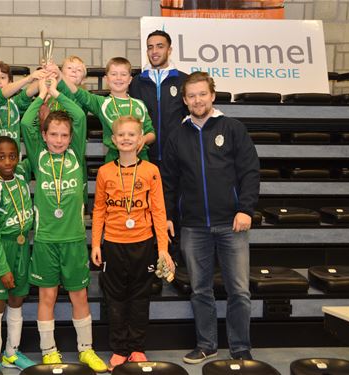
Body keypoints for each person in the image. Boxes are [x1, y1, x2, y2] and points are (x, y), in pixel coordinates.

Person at [161, 71, 260, 364]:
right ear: (185, 100)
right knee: (200, 290)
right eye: (191, 95)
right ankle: (207, 344)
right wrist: (168, 215)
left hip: (232, 224)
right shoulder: (178, 135)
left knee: (239, 291)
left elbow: (250, 172)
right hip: (193, 226)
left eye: (202, 94)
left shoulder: (232, 128)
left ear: (212, 95)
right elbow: (169, 180)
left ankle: (240, 348)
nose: (197, 100)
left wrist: (245, 209)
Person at [20, 76, 108, 372]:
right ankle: (49, 351)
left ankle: (86, 350)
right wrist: (41, 93)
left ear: (71, 138)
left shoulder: (76, 155)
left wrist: (57, 91)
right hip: (45, 239)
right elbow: (27, 122)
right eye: (53, 134)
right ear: (44, 135)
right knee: (47, 295)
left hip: (72, 239)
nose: (59, 140)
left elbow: (80, 115)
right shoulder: (38, 156)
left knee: (79, 295)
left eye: (64, 135)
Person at [91, 116, 175, 370]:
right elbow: (98, 210)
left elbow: (159, 211)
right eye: (121, 135)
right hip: (114, 244)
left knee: (140, 297)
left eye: (132, 134)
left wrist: (163, 248)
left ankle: (137, 348)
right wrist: (96, 243)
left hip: (144, 244)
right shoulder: (105, 172)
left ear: (140, 140)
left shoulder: (151, 171)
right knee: (115, 298)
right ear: (113, 140)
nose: (126, 138)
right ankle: (118, 349)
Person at [0, 136, 35, 370]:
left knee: (17, 299)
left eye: (12, 156)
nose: (8, 162)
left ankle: (11, 352)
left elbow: (35, 143)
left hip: (23, 248)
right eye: (1, 157)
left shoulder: (21, 179)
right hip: (2, 248)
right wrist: (2, 268)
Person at [0, 60, 46, 205]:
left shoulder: (14, 103)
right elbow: (1, 95)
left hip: (11, 172)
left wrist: (45, 73)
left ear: (10, 81)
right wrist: (29, 78)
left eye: (3, 78)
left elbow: (28, 92)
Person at [59, 57, 156, 162]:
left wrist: (144, 139)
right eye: (114, 74)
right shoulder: (102, 103)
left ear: (130, 79)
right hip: (114, 159)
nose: (118, 78)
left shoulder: (139, 105)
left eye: (123, 74)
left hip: (141, 158)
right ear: (106, 79)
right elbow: (79, 93)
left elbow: (151, 133)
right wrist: (60, 76)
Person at [129, 29, 187, 167]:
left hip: (176, 157)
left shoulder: (184, 80)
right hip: (143, 156)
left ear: (169, 50)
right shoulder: (136, 82)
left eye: (160, 46)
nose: (154, 51)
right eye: (150, 47)